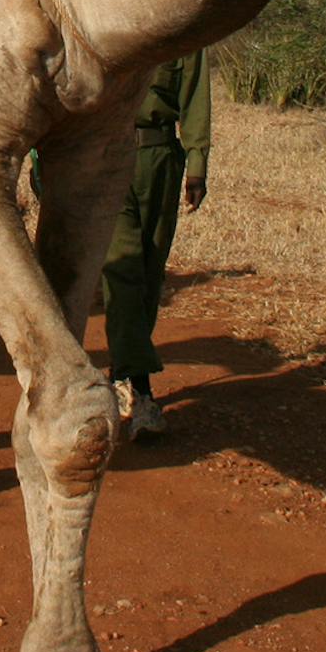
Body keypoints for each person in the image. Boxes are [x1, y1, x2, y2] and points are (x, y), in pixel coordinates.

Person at [104, 48, 212, 441]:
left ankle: (119, 375)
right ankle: (143, 391)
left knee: (149, 276)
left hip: (161, 158)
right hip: (104, 155)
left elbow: (195, 93)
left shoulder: (184, 28)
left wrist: (197, 162)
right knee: (122, 267)